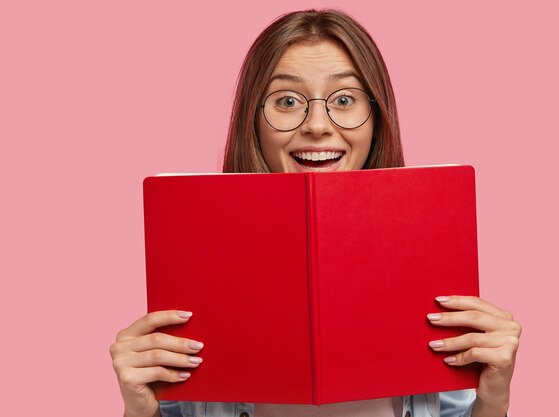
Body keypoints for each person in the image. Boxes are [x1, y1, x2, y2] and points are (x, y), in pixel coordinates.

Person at [110, 9, 521, 417]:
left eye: (344, 99)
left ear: (376, 119)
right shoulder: (191, 266)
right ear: (253, 122)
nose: (318, 125)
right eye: (287, 101)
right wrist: (137, 409)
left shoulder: (432, 257)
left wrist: (494, 400)